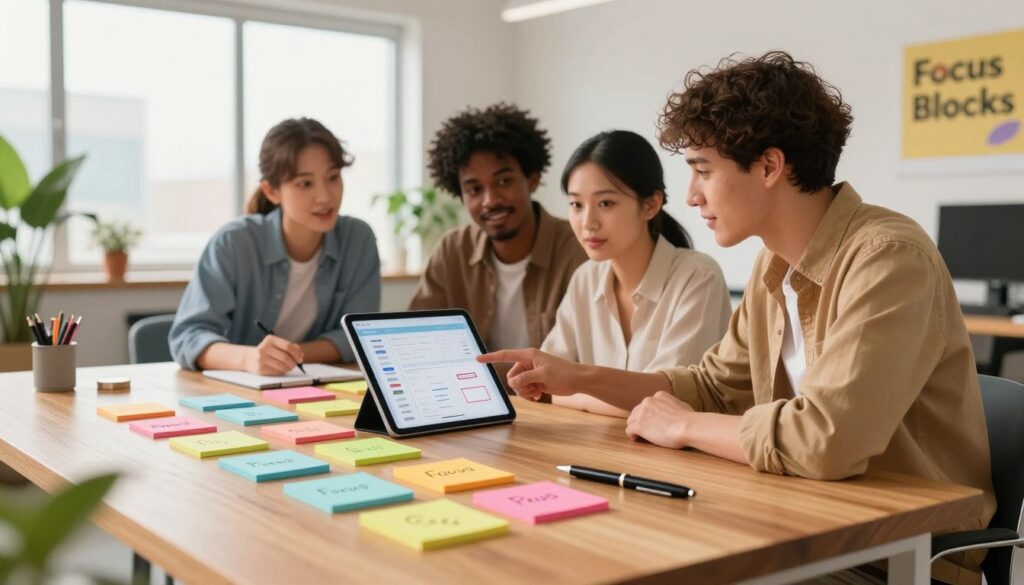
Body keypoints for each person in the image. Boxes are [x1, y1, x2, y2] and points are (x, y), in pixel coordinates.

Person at [479, 53, 993, 582]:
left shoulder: (887, 256)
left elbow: (826, 440)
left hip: (892, 554)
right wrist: (579, 376)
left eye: (703, 170)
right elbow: (714, 386)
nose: (693, 195)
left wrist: (684, 425)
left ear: (769, 166)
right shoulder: (776, 261)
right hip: (805, 520)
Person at [541, 130, 730, 416]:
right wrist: (572, 392)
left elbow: (664, 402)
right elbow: (546, 385)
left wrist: (576, 392)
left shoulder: (698, 277)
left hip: (680, 458)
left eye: (605, 203)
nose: (588, 223)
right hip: (601, 447)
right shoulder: (585, 278)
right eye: (576, 205)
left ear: (651, 205)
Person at [169, 118, 381, 374]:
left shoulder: (358, 240)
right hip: (235, 393)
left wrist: (290, 355)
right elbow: (188, 337)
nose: (325, 196)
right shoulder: (234, 243)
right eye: (305, 183)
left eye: (333, 177)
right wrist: (250, 359)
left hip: (315, 387)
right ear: (271, 191)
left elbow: (361, 336)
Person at [408, 103, 587, 353]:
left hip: (550, 393)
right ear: (461, 196)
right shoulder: (452, 251)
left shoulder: (577, 249)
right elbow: (417, 340)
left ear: (532, 179)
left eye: (504, 181)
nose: (490, 200)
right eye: (474, 189)